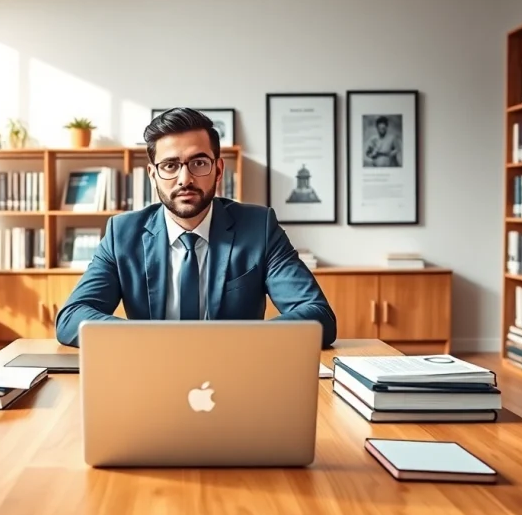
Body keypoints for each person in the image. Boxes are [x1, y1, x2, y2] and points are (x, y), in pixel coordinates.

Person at [54, 107, 337, 348]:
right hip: (151, 373)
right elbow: (71, 317)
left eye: (199, 162)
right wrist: (150, 340)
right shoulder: (122, 234)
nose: (185, 179)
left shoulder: (259, 227)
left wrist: (231, 342)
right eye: (170, 165)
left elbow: (317, 315)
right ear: (153, 174)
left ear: (218, 169)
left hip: (234, 375)